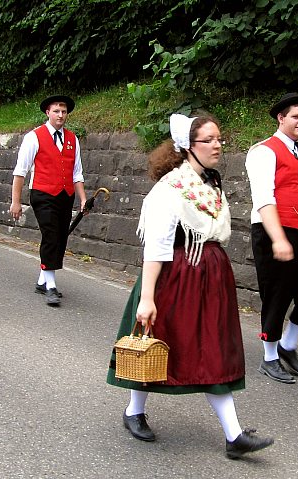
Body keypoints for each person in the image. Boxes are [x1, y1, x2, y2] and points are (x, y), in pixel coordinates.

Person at [106, 114, 274, 459]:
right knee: (155, 344)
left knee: (211, 349)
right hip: (175, 277)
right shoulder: (169, 189)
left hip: (209, 278)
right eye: (208, 140)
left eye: (219, 139)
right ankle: (134, 411)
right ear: (187, 147)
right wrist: (148, 297)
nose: (217, 145)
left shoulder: (210, 182)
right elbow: (156, 245)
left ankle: (234, 435)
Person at [245, 93, 298, 384]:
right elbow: (263, 198)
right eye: (296, 116)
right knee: (277, 294)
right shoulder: (263, 152)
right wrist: (278, 238)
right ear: (281, 118)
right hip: (277, 231)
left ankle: (288, 344)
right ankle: (270, 357)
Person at [9, 95, 87, 306]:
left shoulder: (72, 139)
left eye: (63, 111)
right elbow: (20, 172)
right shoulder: (34, 137)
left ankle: (43, 280)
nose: (60, 115)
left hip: (65, 194)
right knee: (51, 234)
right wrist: (16, 201)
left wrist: (83, 198)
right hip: (42, 194)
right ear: (47, 113)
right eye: (56, 111)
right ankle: (51, 286)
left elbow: (76, 173)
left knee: (61, 236)